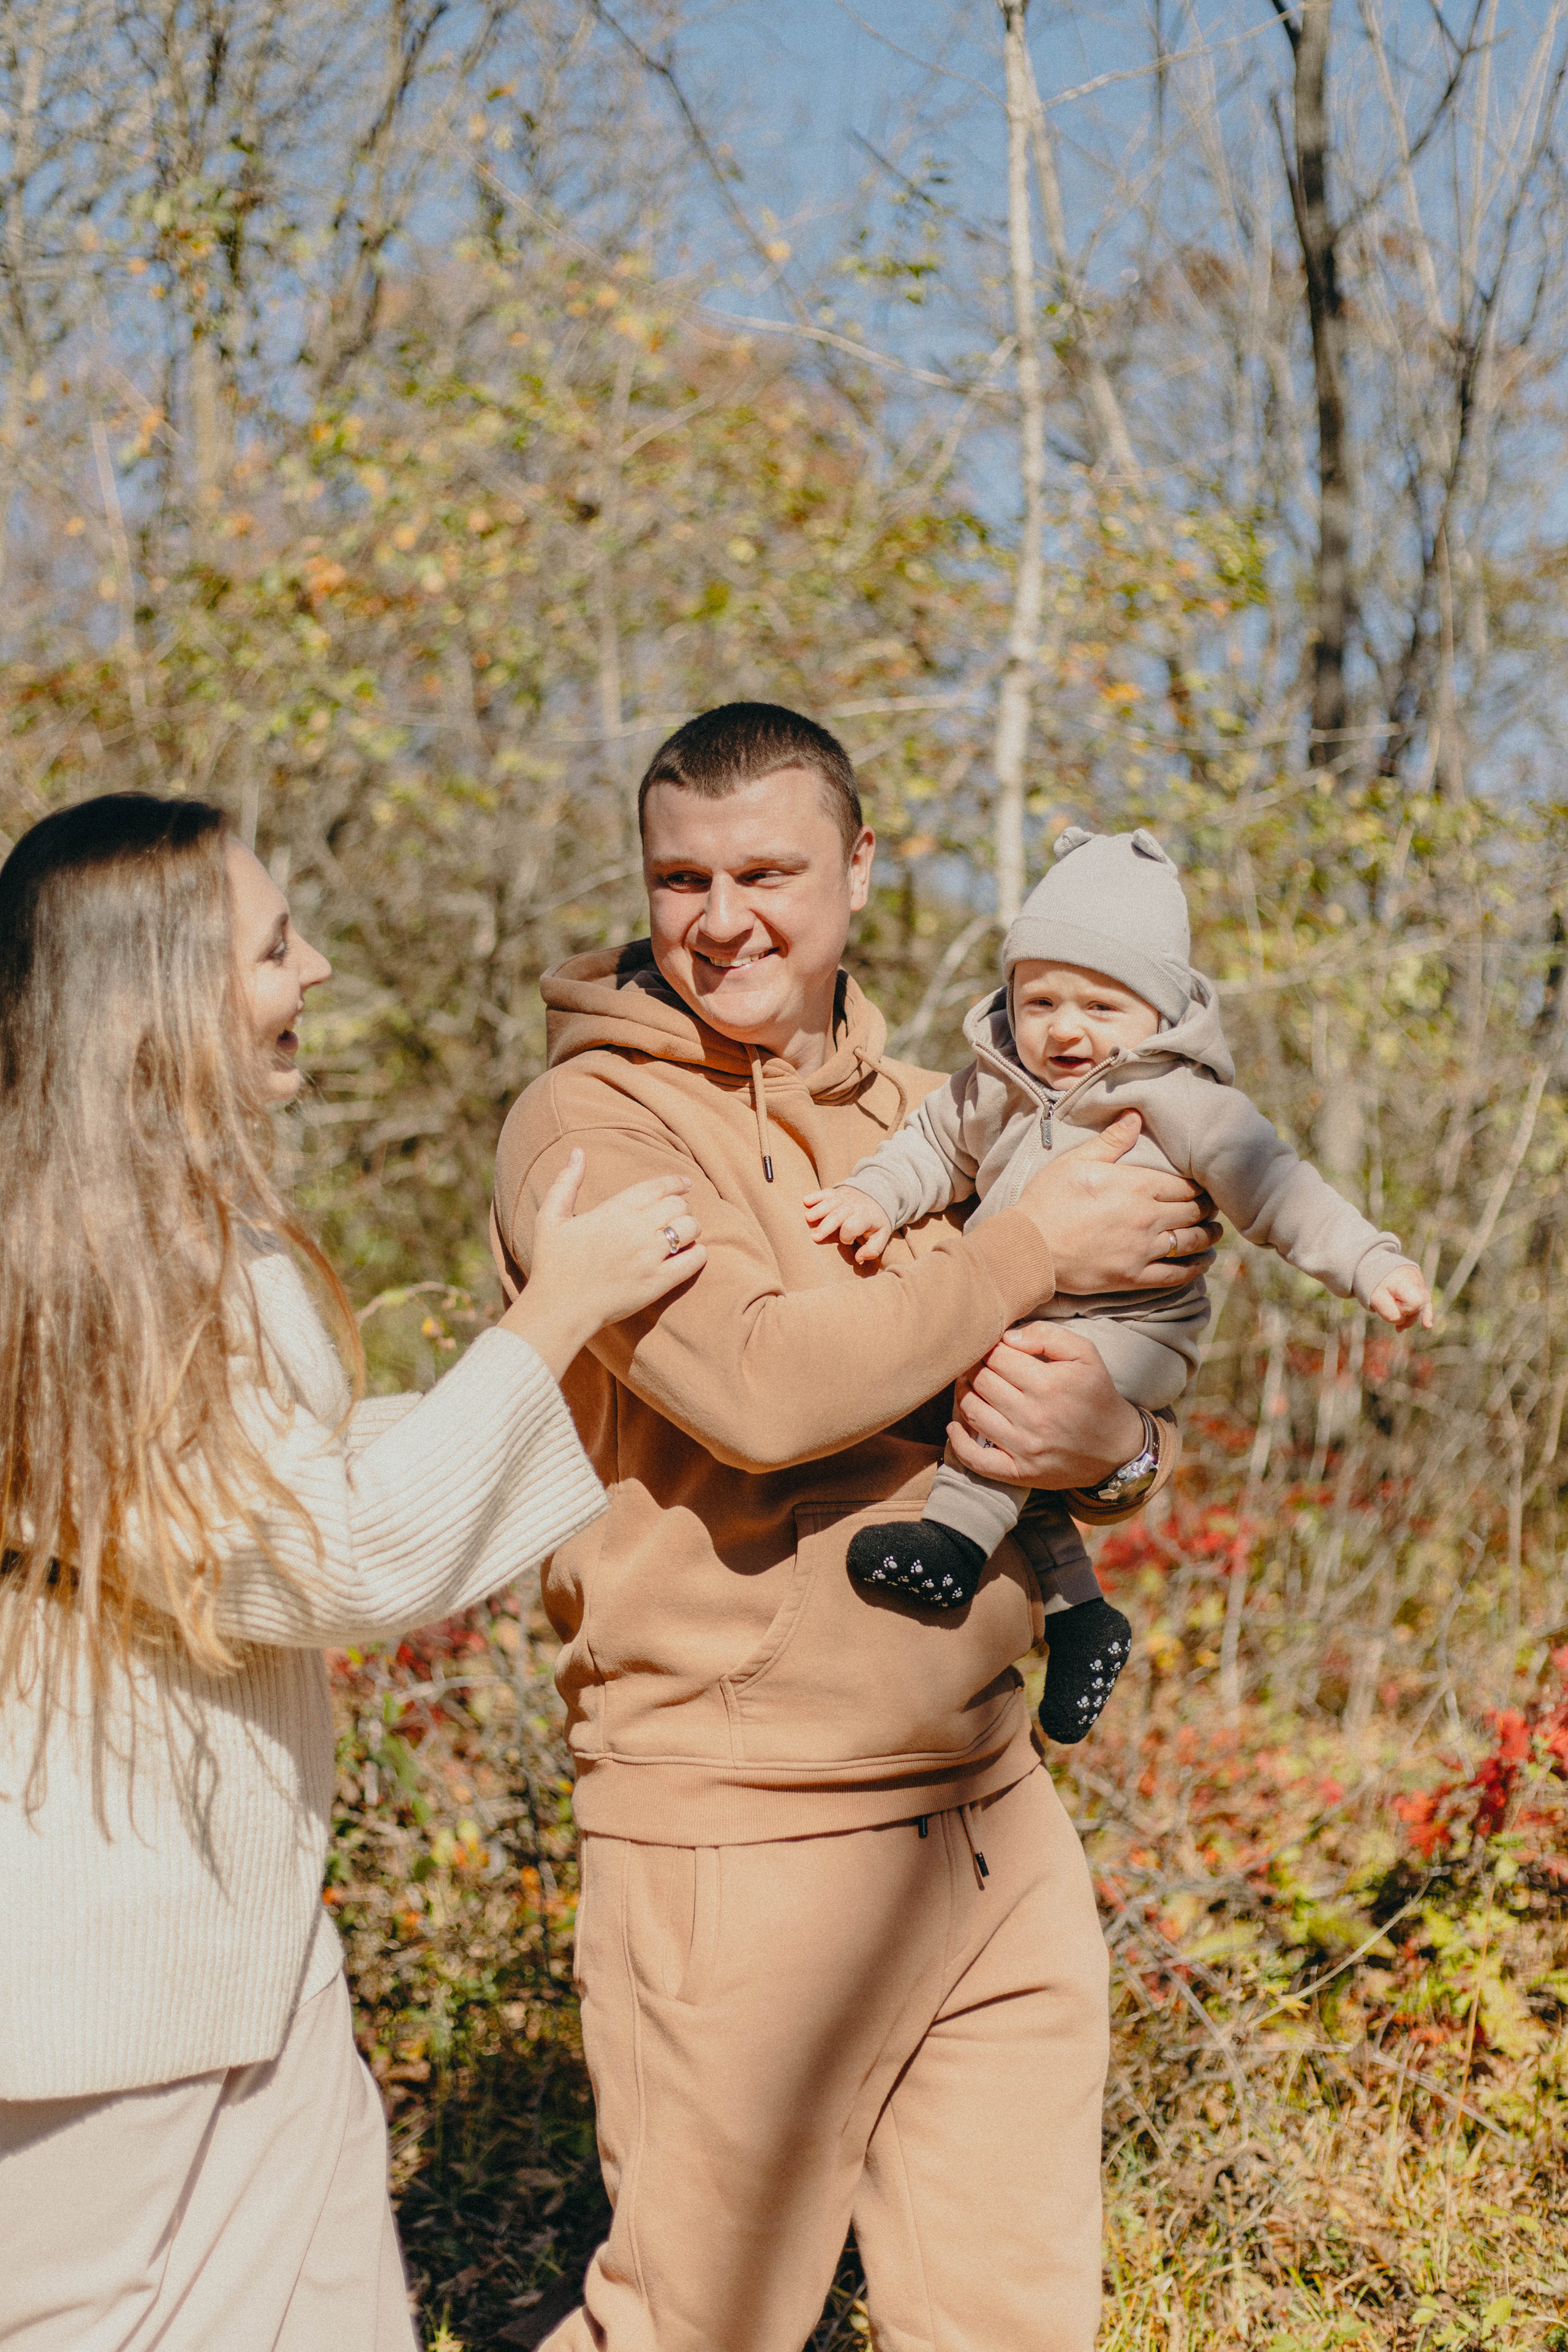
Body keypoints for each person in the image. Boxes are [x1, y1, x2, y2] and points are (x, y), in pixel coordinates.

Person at [490, 703, 1223, 2352]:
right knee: (694, 2330)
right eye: (681, 878)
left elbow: (1090, 1375)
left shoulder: (947, 1106)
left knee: (1015, 2325)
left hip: (988, 1811)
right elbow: (760, 1392)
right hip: (742, 1826)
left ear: (860, 869)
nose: (720, 919)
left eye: (766, 872)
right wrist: (1028, 1248)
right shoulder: (593, 1126)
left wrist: (1116, 1450)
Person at [0, 794, 705, 2352]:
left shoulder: (170, 1227)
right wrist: (557, 1315)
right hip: (96, 1984)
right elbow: (330, 1549)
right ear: (158, 995)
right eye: (273, 948)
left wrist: (576, 1377)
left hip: (238, 1935)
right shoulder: (80, 1264)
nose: (314, 969)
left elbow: (275, 1476)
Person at [807, 824, 1432, 1743]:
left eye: (1100, 1004)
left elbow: (1280, 1190)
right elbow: (931, 1146)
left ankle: (952, 1544)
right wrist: (873, 1195)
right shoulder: (996, 1082)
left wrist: (1372, 1263)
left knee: (1006, 1389)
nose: (1065, 1028)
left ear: (1161, 1014)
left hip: (1138, 1327)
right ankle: (1080, 1616)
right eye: (1040, 1000)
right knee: (1015, 1422)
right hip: (1035, 1304)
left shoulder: (1186, 1102)